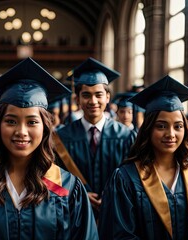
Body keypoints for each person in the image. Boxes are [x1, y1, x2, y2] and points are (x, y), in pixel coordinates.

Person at [0, 58, 99, 239]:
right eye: (11, 121)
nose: (21, 132)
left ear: (45, 127)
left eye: (32, 122)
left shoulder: (66, 188)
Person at [98, 75, 188, 239]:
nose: (171, 134)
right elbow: (119, 235)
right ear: (148, 129)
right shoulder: (126, 180)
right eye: (161, 126)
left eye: (178, 126)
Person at [54, 57, 136, 218]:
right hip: (75, 215)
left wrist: (113, 195)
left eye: (99, 95)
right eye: (86, 95)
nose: (93, 101)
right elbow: (52, 181)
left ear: (107, 97)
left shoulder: (126, 136)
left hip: (117, 215)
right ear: (77, 99)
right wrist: (77, 194)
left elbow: (135, 179)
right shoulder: (61, 138)